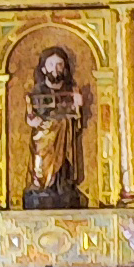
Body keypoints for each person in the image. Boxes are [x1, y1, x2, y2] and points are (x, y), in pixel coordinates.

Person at [24, 45, 85, 206]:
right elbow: (31, 112)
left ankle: (61, 185)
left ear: (64, 68)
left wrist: (77, 106)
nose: (55, 69)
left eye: (59, 65)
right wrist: (32, 119)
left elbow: (75, 119)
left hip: (64, 136)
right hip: (43, 137)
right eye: (51, 65)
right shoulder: (38, 90)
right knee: (40, 162)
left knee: (63, 165)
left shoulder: (69, 91)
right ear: (43, 68)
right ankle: (40, 185)